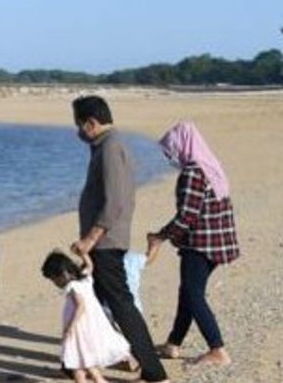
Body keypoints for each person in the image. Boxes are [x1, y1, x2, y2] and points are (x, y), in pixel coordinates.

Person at [70, 95, 170, 382]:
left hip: (106, 242)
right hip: (105, 241)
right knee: (95, 304)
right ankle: (88, 362)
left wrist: (91, 237)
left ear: (91, 122)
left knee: (121, 306)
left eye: (79, 125)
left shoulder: (111, 148)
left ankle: (154, 371)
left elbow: (115, 201)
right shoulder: (104, 146)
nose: (77, 132)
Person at [147, 121, 239, 369]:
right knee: (187, 291)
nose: (170, 156)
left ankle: (217, 349)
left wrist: (160, 236)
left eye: (170, 151)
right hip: (217, 242)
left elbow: (187, 215)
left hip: (202, 244)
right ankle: (173, 343)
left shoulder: (193, 172)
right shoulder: (211, 167)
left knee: (193, 294)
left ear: (183, 146)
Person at [42, 250, 132, 382]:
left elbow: (80, 306)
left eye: (55, 279)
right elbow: (90, 266)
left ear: (63, 274)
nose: (56, 283)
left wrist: (70, 327)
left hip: (79, 329)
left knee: (76, 363)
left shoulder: (73, 286)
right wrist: (83, 253)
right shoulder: (85, 278)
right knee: (86, 360)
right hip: (90, 326)